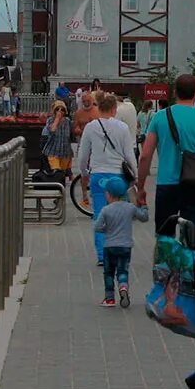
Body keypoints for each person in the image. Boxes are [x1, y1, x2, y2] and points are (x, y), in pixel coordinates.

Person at [136, 73, 195, 234]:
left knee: (165, 235)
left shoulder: (159, 117)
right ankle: (188, 256)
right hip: (194, 183)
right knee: (191, 234)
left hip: (166, 183)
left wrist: (140, 187)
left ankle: (165, 258)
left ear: (175, 92)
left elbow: (145, 156)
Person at [74, 92, 139, 267]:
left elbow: (83, 155)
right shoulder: (122, 128)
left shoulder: (90, 127)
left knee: (99, 215)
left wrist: (84, 172)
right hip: (118, 176)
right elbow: (129, 155)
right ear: (114, 109)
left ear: (99, 107)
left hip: (98, 175)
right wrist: (135, 177)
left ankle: (103, 255)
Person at [93, 180, 149, 308]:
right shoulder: (130, 208)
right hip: (125, 246)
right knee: (123, 270)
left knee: (108, 273)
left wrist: (106, 230)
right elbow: (144, 217)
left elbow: (97, 227)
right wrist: (144, 205)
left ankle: (110, 298)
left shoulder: (106, 210)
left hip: (109, 246)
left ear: (109, 194)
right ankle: (123, 287)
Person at [41, 101, 74, 173]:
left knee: (62, 173)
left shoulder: (68, 121)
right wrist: (57, 119)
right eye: (57, 109)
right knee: (56, 171)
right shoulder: (50, 120)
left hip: (65, 152)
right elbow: (52, 130)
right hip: (53, 151)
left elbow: (71, 135)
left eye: (62, 109)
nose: (60, 111)